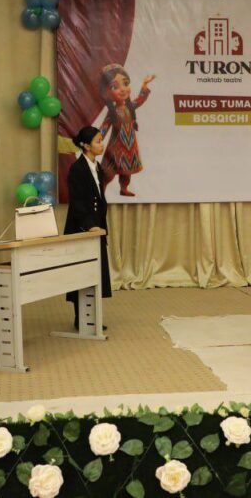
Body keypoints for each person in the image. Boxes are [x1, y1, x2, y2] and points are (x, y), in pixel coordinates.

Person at [64, 126, 112, 330]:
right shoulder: (77, 169)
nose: (102, 144)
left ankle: (91, 316)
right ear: (86, 145)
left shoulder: (97, 167)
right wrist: (90, 225)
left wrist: (99, 225)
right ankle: (80, 317)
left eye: (101, 140)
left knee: (95, 272)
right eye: (98, 141)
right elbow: (78, 202)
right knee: (80, 272)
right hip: (81, 227)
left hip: (96, 227)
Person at [98, 63, 155, 197]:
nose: (123, 89)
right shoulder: (112, 112)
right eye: (115, 87)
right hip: (115, 147)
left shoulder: (130, 107)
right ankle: (101, 191)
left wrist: (145, 85)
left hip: (130, 146)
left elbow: (140, 99)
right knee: (108, 172)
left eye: (125, 83)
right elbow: (104, 128)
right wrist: (96, 138)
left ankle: (123, 189)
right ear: (107, 93)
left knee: (127, 171)